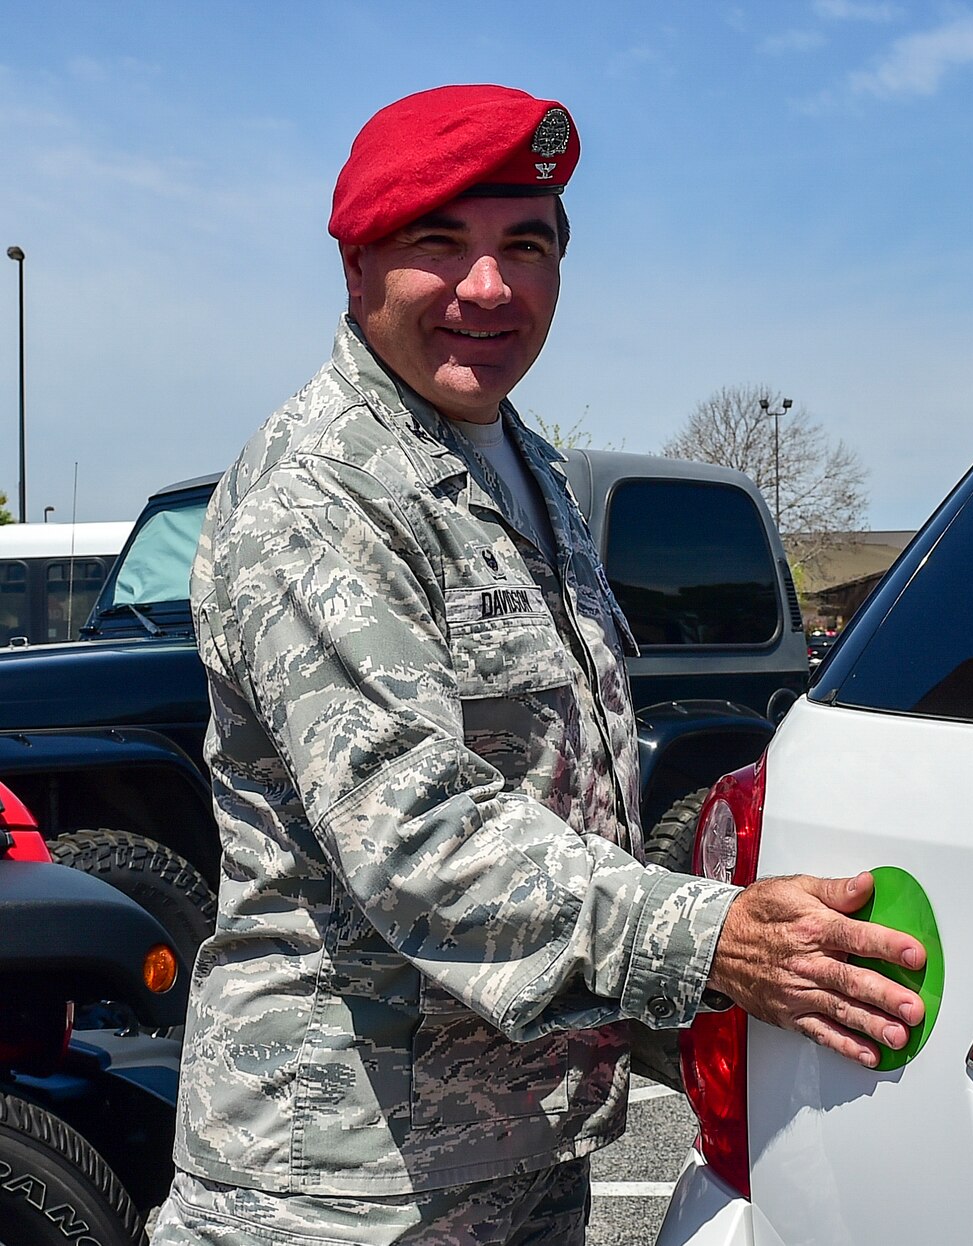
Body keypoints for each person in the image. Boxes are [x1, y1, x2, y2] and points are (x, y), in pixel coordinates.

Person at [151, 85, 924, 1245]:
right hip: (343, 1183)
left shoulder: (529, 466)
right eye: (438, 243)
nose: (489, 288)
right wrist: (708, 940)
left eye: (527, 244)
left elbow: (567, 790)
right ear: (358, 267)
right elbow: (418, 833)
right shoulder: (323, 492)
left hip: (526, 1148)